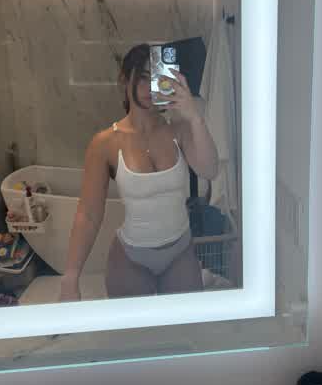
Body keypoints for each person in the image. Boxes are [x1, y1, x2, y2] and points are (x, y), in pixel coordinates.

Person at [60, 44, 219, 301]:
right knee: (133, 327)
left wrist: (194, 117)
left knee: (185, 323)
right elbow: (88, 214)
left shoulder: (179, 129)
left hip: (180, 250)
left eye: (156, 79)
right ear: (124, 80)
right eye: (142, 78)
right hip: (131, 256)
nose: (149, 89)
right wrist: (70, 277)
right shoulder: (105, 143)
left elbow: (210, 170)